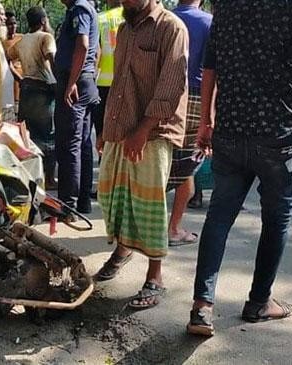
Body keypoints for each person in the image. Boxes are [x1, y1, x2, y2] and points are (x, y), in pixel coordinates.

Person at [187, 0, 292, 336]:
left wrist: (206, 120)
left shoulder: (226, 5)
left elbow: (210, 65)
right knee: (276, 219)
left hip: (231, 131)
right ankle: (259, 302)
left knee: (218, 216)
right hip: (277, 135)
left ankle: (202, 307)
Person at [94, 0, 188, 309]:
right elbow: (118, 83)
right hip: (121, 129)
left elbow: (171, 86)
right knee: (114, 196)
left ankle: (155, 277)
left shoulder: (171, 28)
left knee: (149, 203)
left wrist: (143, 131)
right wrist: (107, 130)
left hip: (154, 132)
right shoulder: (124, 29)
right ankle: (122, 251)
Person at [163, 0, 212, 246]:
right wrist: (212, 115)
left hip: (166, 95)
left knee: (168, 161)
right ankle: (172, 229)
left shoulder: (164, 18)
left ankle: (155, 227)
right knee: (185, 166)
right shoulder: (209, 22)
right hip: (196, 97)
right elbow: (214, 70)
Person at [54, 0, 100, 214]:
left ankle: (67, 206)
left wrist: (72, 82)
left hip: (75, 84)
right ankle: (82, 201)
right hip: (85, 81)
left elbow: (83, 45)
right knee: (82, 144)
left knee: (69, 145)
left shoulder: (79, 9)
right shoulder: (87, 9)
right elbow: (95, 51)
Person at [8, 7, 57, 188]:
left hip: (26, 90)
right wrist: (59, 82)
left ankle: (29, 175)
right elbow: (51, 57)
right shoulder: (46, 37)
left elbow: (8, 58)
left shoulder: (21, 41)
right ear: (44, 21)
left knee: (28, 136)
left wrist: (19, 78)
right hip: (44, 92)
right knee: (48, 137)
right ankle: (50, 179)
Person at [93, 0, 123, 154]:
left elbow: (95, 52)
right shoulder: (132, 18)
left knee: (102, 135)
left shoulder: (99, 19)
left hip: (103, 84)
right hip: (125, 84)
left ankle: (105, 166)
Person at [3, 11, 23, 105]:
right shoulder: (1, 41)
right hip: (10, 76)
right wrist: (19, 78)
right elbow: (7, 62)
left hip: (24, 75)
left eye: (14, 23)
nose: (13, 26)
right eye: (10, 24)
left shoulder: (22, 38)